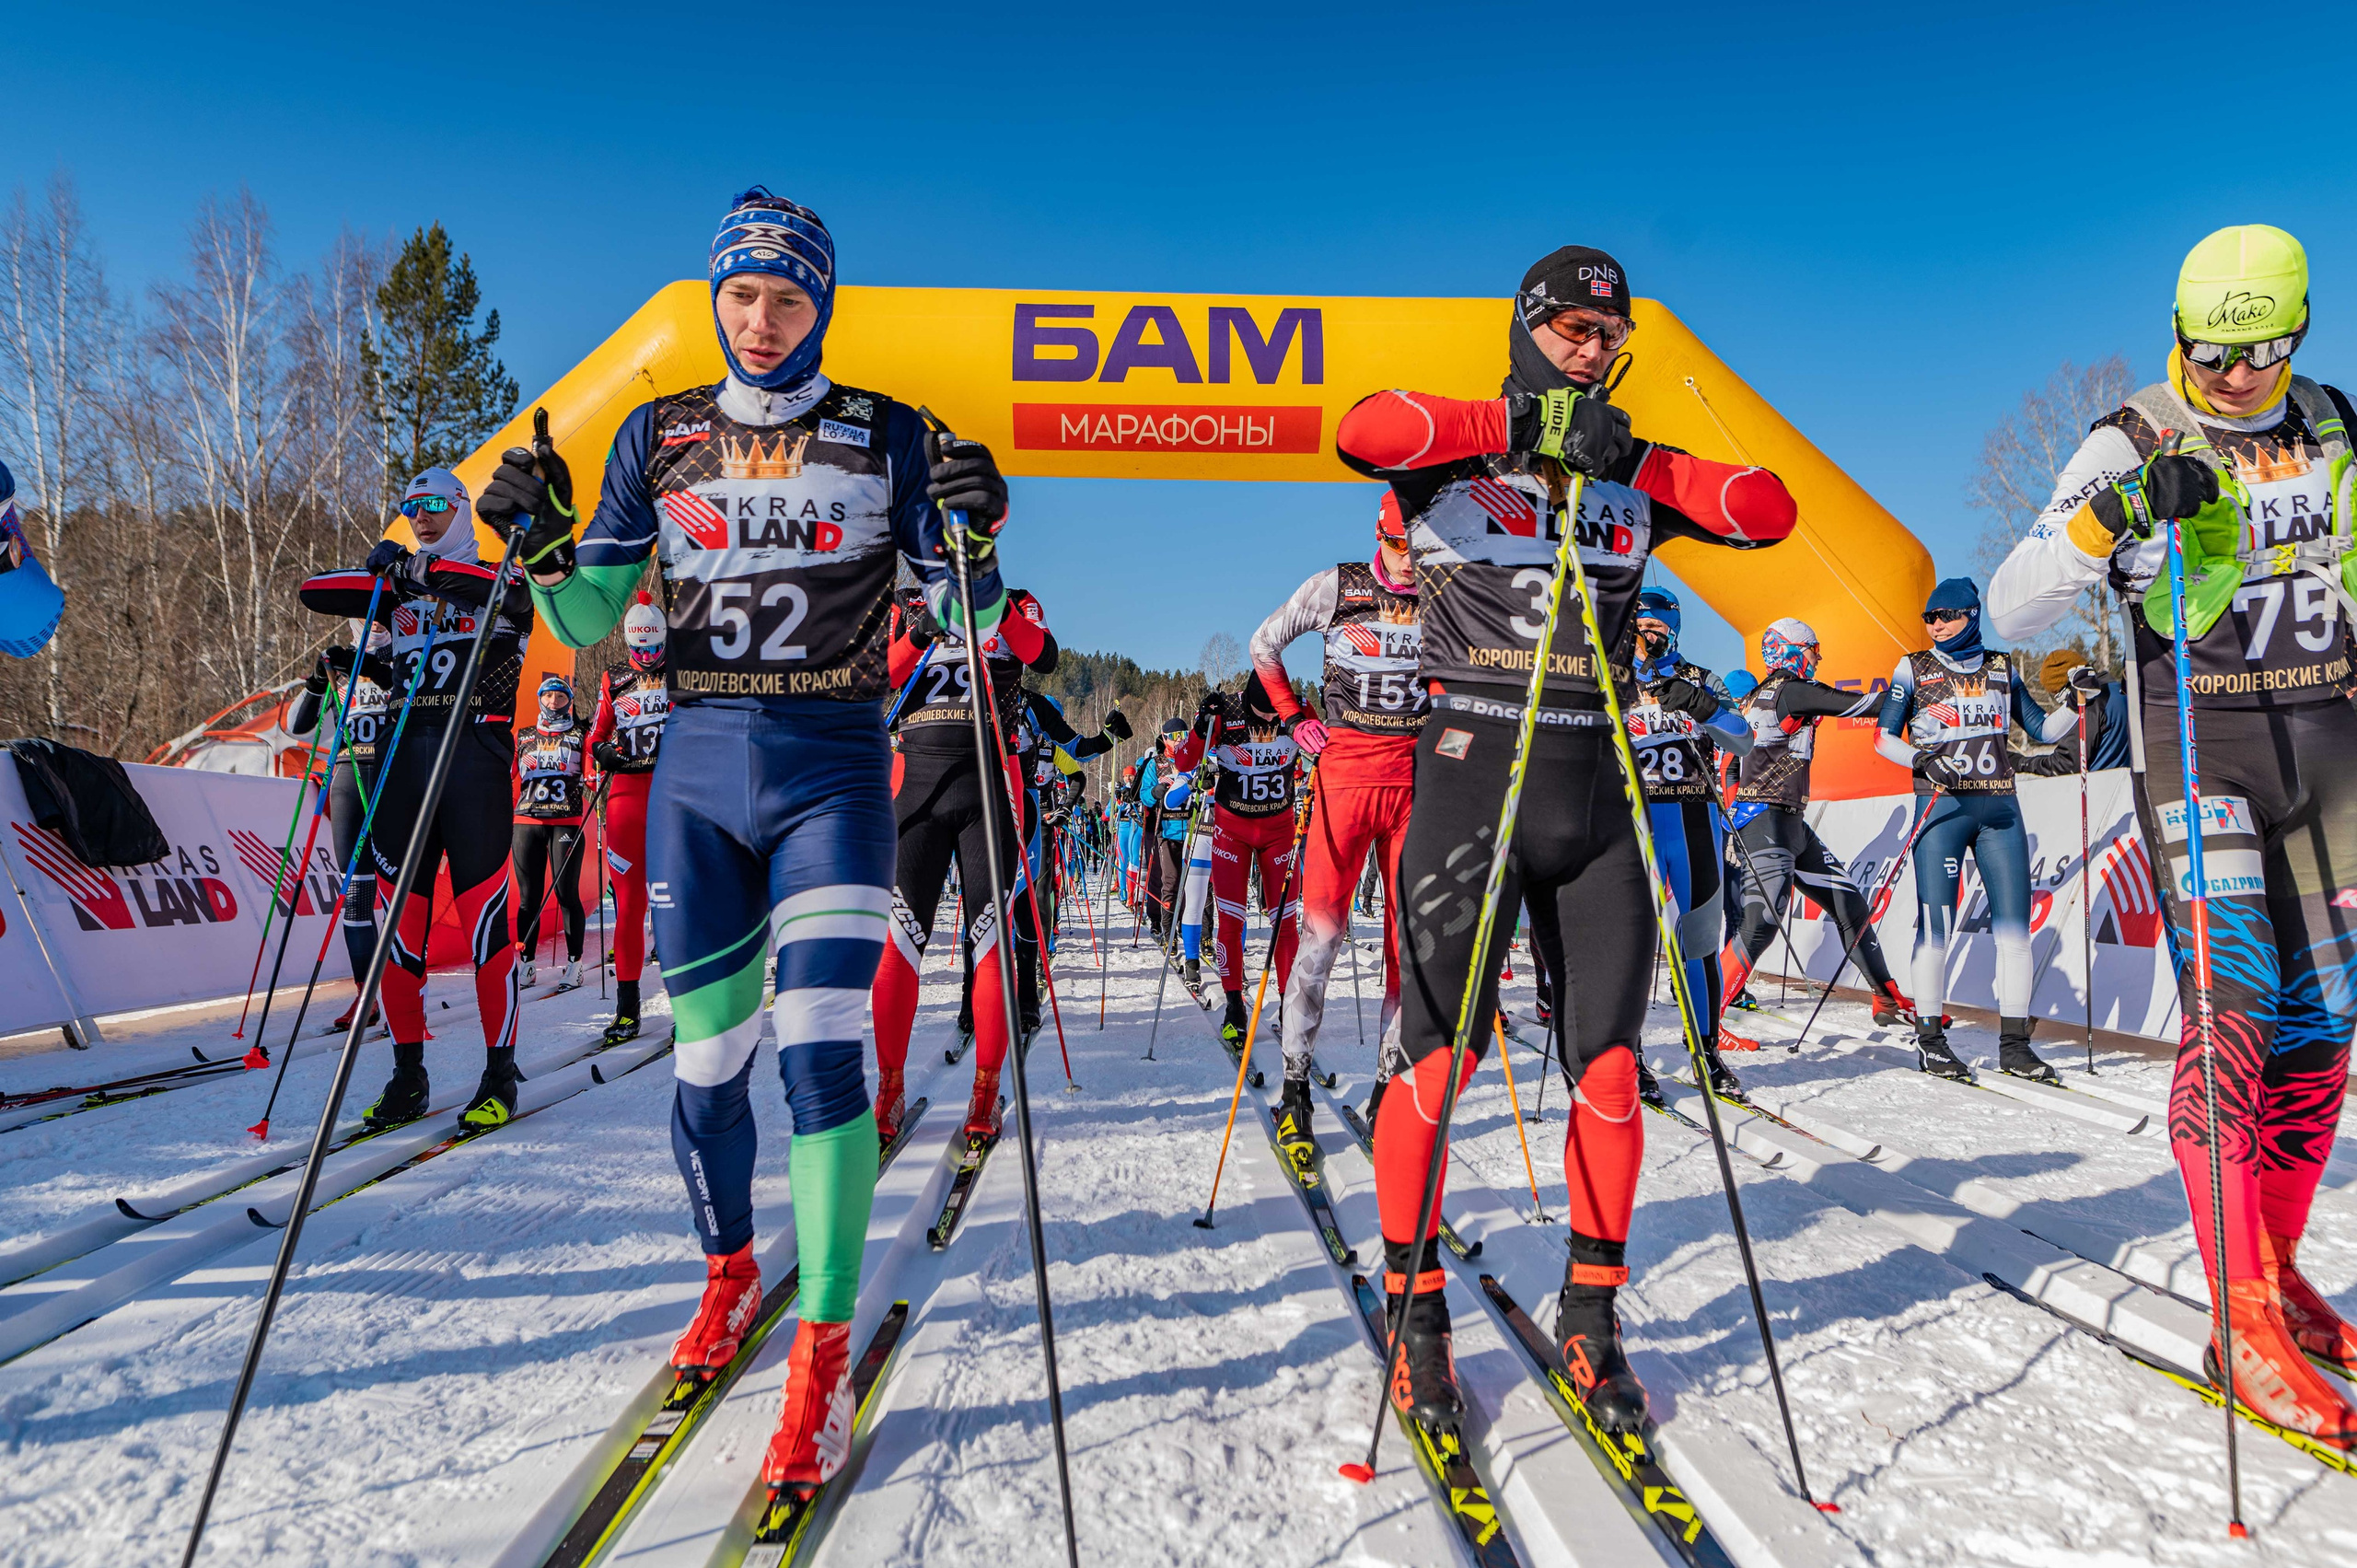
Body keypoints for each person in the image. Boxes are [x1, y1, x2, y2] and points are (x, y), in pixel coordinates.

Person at [500, 186, 1014, 1493]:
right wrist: (543, 538)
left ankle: (822, 1353)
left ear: (822, 305)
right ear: (715, 298)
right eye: (741, 294)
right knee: (711, 1061)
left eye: (788, 297)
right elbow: (593, 603)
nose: (763, 318)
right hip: (698, 767)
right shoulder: (656, 434)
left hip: (836, 768)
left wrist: (976, 531)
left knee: (820, 1052)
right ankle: (731, 1271)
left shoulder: (887, 433)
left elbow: (968, 611)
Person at [1335, 244, 1797, 1435]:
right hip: (1465, 782)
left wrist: (1635, 456)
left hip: (1595, 797)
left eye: (1605, 336)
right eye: (1567, 332)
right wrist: (1521, 417)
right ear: (1527, 329)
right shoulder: (1449, 449)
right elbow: (1365, 425)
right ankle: (1418, 1312)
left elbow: (1767, 508)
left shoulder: (1627, 475)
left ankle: (1594, 1318)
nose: (1586, 351)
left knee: (1607, 1069)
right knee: (1439, 1060)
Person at [1988, 224, 2357, 1446]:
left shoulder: (2336, 421)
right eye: (2212, 349)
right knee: (2236, 1008)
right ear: (2180, 329)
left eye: (2264, 350)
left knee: (2327, 1025)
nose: (2237, 375)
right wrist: (2121, 515)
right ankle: (2236, 1308)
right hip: (2205, 747)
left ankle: (2281, 1268)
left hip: (2333, 744)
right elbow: (2011, 601)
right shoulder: (2134, 432)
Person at [299, 466, 528, 1132]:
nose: (420, 516)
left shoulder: (498, 571)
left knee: (488, 925)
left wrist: (415, 572)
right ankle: (408, 1075)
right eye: (408, 507)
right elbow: (316, 590)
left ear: (458, 509)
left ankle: (500, 1074)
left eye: (432, 505)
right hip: (404, 765)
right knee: (402, 932)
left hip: (474, 761)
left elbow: (503, 599)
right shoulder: (399, 585)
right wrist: (369, 629)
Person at [1248, 489, 1422, 1167]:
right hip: (1343, 779)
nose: (1409, 563)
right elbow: (1265, 643)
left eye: (1419, 548)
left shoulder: (1445, 592)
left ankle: (1388, 1090)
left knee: (1408, 949)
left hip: (1413, 784)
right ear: (1380, 536)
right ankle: (1295, 1087)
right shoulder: (1337, 585)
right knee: (1319, 942)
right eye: (1399, 546)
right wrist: (1293, 719)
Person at [1875, 578, 2098, 1084]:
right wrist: (1921, 760)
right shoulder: (1913, 667)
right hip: (1942, 810)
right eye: (1928, 618)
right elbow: (1883, 739)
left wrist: (2079, 700)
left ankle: (2015, 1047)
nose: (1935, 625)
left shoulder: (2002, 666)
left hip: (2000, 809)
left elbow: (2042, 731)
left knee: (2015, 934)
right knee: (1936, 931)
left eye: (1944, 616)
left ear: (1971, 614)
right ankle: (1930, 1042)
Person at [872, 585, 1053, 1146]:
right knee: (898, 944)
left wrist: (992, 606)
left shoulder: (1014, 598)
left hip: (992, 786)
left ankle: (984, 1089)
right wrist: (921, 629)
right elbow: (876, 675)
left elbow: (1042, 655)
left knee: (990, 944)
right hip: (917, 788)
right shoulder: (905, 602)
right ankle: (889, 1087)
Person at [1721, 617, 1911, 1042]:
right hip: (1768, 822)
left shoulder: (1757, 695)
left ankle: (1887, 998)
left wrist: (1735, 807)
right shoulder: (1790, 689)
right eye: (1813, 649)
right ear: (1790, 650)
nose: (1819, 657)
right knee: (1759, 925)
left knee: (1849, 905)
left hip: (1786, 821)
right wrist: (1912, 692)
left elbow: (1731, 763)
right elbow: (1857, 704)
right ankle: (1704, 1020)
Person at [1623, 585, 1752, 1100]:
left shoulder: (1698, 677)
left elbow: (1743, 738)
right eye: (1639, 627)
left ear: (1672, 631)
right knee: (1630, 945)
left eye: (1655, 628)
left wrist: (1704, 708)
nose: (1645, 637)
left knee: (1698, 942)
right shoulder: (1610, 673)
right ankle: (1627, 1053)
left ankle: (1705, 1052)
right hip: (1634, 819)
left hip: (1694, 818)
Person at [1168, 672, 1304, 1044]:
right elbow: (1183, 763)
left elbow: (1328, 745)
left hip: (1278, 832)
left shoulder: (1296, 706)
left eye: (1275, 716)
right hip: (1233, 830)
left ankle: (1289, 1004)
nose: (1268, 724)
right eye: (1261, 716)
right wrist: (1199, 727)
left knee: (1285, 923)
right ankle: (1234, 1006)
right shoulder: (1225, 711)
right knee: (1231, 917)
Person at [285, 623, 396, 1031]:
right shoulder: (340, 662)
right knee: (356, 894)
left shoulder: (406, 651)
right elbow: (298, 726)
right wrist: (317, 680)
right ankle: (367, 997)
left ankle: (406, 992)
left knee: (403, 895)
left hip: (394, 777)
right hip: (349, 778)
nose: (372, 624)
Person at [585, 591, 671, 1044]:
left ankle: (693, 1004)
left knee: (679, 907)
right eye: (639, 650)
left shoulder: (684, 674)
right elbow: (595, 736)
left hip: (674, 796)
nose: (647, 658)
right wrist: (600, 752)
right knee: (629, 909)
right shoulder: (613, 680)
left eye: (654, 649)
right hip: (625, 800)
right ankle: (627, 1010)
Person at [511, 673, 589, 992]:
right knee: (528, 899)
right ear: (539, 700)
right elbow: (509, 772)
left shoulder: (580, 734)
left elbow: (591, 773)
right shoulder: (524, 735)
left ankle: (575, 963)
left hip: (565, 823)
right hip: (527, 822)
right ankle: (526, 964)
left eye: (559, 697)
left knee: (566, 895)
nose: (553, 702)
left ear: (569, 701)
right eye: (547, 697)